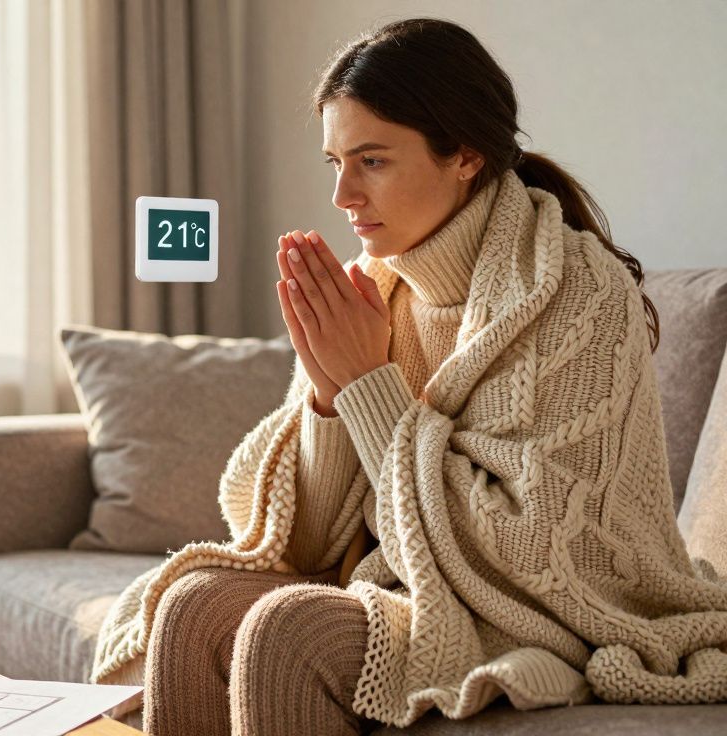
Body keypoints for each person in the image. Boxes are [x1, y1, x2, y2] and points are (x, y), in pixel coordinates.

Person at [89, 16, 727, 736]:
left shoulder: (578, 293)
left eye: (373, 161)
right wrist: (330, 399)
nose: (343, 196)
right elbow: (304, 546)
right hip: (404, 583)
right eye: (335, 163)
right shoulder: (376, 286)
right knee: (194, 607)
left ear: (465, 154)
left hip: (533, 609)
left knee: (288, 631)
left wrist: (366, 385)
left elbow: (537, 552)